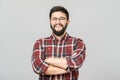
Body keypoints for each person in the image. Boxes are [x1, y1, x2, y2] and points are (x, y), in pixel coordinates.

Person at [31, 6, 86, 80]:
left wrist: (48, 60)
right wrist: (68, 68)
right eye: (54, 19)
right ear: (50, 21)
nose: (58, 22)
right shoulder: (40, 43)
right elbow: (38, 67)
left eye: (62, 19)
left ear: (68, 21)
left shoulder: (77, 43)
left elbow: (75, 63)